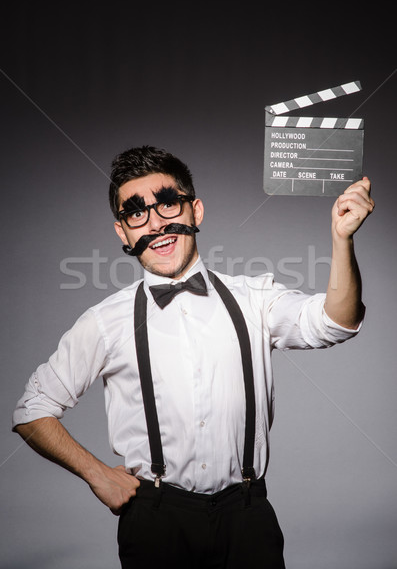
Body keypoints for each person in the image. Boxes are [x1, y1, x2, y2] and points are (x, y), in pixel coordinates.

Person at [12, 145, 374, 568]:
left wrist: (341, 240)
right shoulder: (104, 321)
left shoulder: (254, 298)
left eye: (168, 204)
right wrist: (97, 474)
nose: (156, 224)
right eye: (136, 213)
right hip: (155, 522)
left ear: (195, 211)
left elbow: (336, 323)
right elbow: (32, 410)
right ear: (122, 233)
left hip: (248, 517)